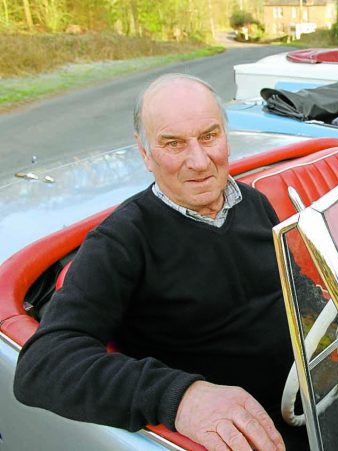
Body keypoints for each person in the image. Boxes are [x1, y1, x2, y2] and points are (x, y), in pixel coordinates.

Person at [14, 74, 308, 451]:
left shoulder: (254, 203)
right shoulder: (121, 240)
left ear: (226, 136)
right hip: (242, 435)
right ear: (144, 153)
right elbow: (42, 366)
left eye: (209, 136)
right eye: (173, 144)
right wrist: (181, 397)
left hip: (312, 395)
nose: (199, 161)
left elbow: (293, 287)